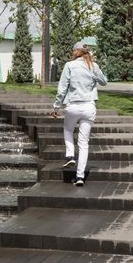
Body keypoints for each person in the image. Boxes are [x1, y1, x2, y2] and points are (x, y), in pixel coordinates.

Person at [51, 42, 107, 186]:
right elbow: (104, 82)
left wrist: (56, 107)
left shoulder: (69, 65)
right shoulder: (93, 66)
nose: (72, 52)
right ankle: (80, 177)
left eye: (73, 50)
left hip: (74, 106)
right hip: (89, 107)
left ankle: (70, 155)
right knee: (84, 143)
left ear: (77, 51)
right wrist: (94, 74)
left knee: (68, 130)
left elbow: (62, 89)